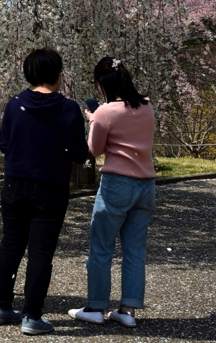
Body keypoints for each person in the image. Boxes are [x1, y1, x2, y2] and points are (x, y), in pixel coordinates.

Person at [0, 48, 90, 335]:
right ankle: (32, 317)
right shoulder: (68, 108)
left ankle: (0, 306)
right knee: (40, 253)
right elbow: (81, 155)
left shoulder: (14, 103)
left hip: (15, 184)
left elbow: (4, 145)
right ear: (58, 74)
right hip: (51, 188)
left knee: (10, 245)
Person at [68, 57, 156, 328]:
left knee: (102, 247)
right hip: (146, 184)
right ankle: (127, 310)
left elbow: (95, 150)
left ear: (102, 84)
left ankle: (96, 307)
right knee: (134, 251)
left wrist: (94, 119)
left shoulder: (106, 112)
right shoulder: (147, 105)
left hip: (117, 183)